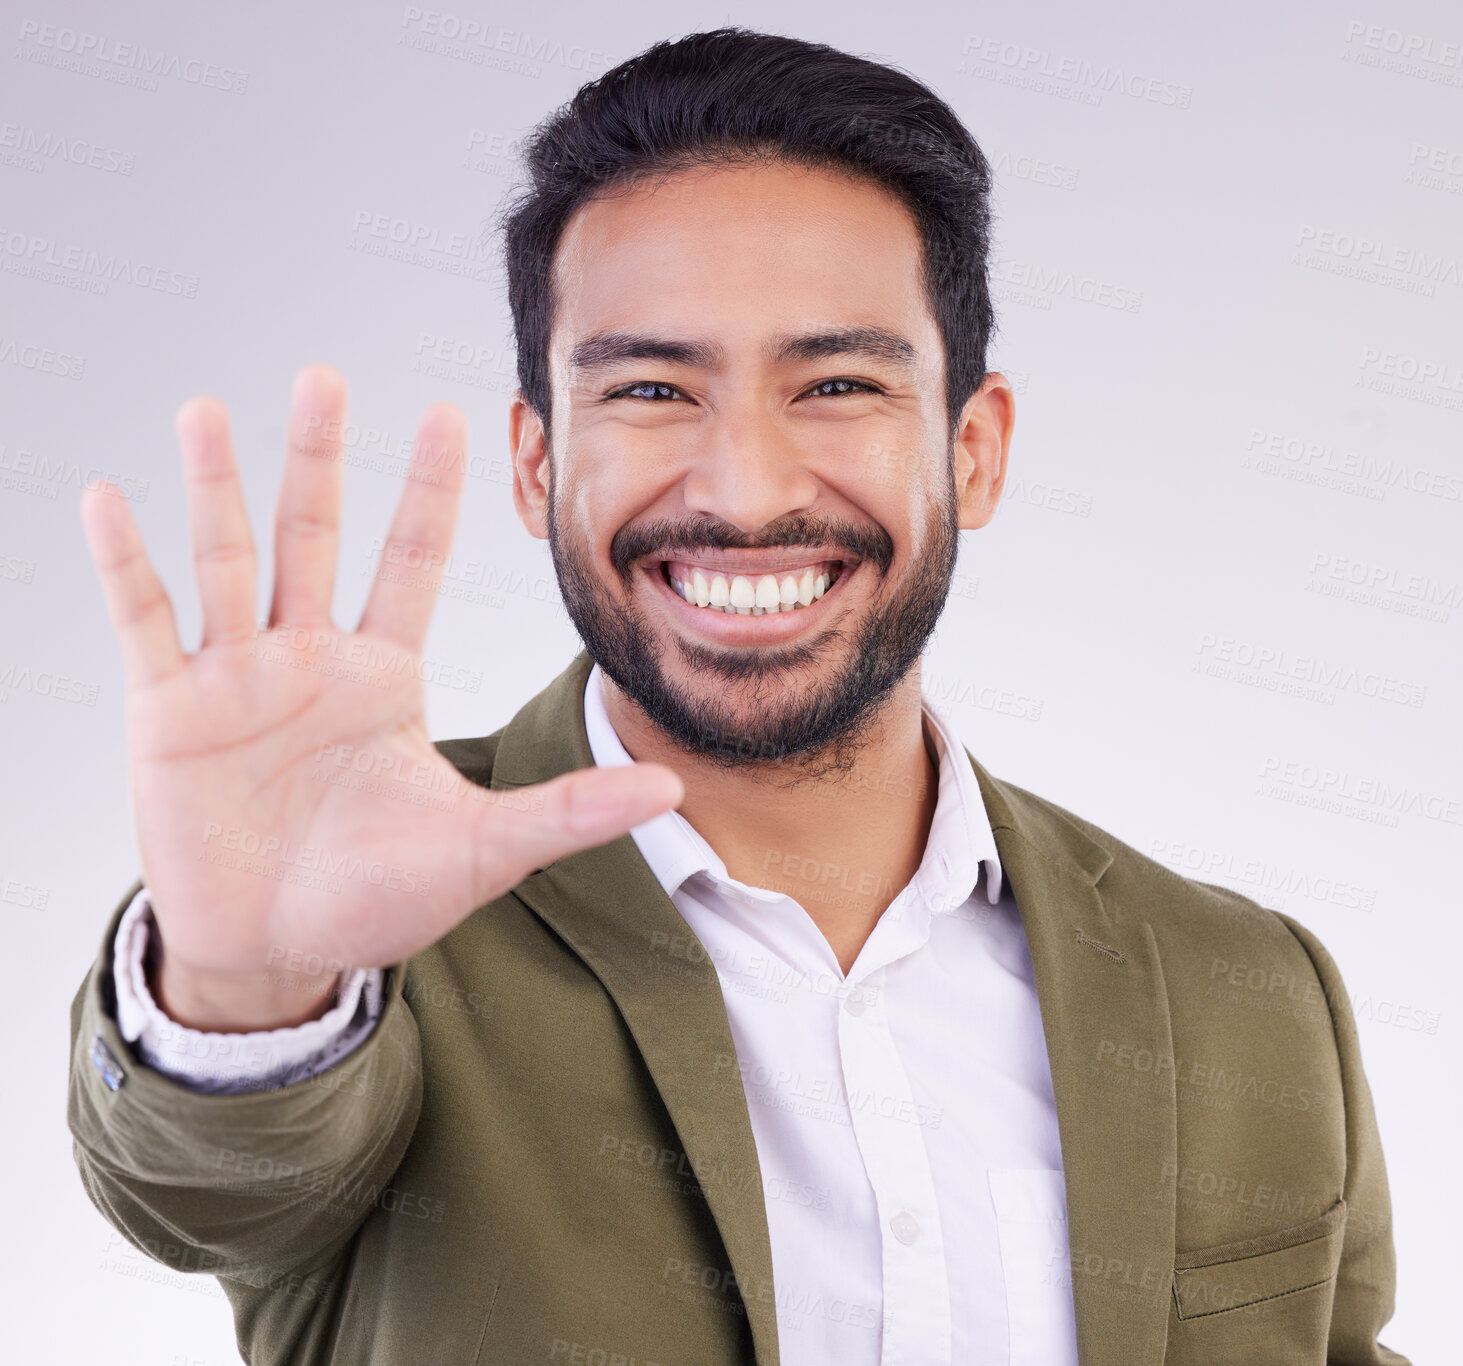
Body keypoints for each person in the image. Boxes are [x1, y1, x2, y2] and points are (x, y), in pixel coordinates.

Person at [67, 26, 1408, 1366]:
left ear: (976, 449)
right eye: (652, 387)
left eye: (836, 384)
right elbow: (208, 1185)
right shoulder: (377, 938)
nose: (746, 490)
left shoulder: (1250, 994)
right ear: (538, 460)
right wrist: (248, 989)